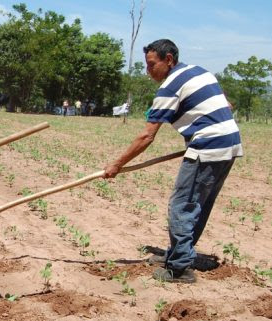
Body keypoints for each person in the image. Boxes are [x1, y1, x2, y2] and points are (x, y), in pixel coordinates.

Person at [103, 39, 242, 283]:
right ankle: (179, 254)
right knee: (198, 205)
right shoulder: (199, 72)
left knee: (182, 205)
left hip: (208, 148)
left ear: (168, 60)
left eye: (151, 65)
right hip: (230, 143)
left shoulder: (168, 88)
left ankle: (179, 269)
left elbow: (147, 135)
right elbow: (227, 105)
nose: (148, 71)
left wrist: (117, 164)